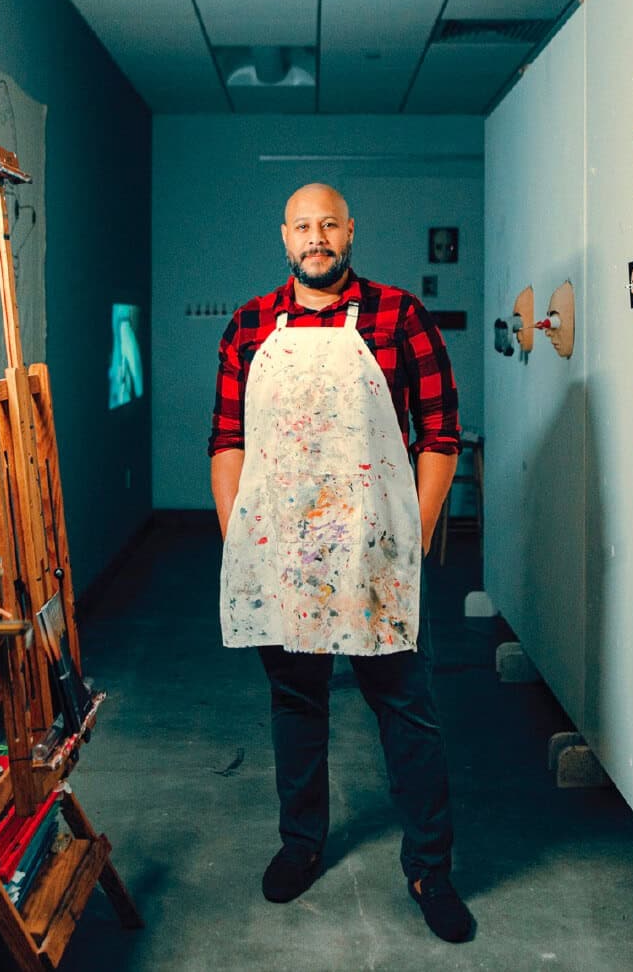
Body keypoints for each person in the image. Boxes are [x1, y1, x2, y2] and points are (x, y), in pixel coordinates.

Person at [209, 182, 473, 943]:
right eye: (303, 226)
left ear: (351, 231)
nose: (316, 237)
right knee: (297, 705)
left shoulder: (398, 316)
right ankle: (302, 844)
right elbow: (228, 440)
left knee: (406, 711)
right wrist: (243, 547)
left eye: (329, 224)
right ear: (283, 237)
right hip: (282, 556)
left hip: (375, 559)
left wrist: (412, 544)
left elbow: (440, 435)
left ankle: (431, 868)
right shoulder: (250, 324)